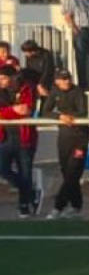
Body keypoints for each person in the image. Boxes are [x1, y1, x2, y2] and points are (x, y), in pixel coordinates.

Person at [43, 69, 89, 219]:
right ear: (57, 81)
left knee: (73, 172)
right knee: (66, 172)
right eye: (63, 79)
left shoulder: (78, 91)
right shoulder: (54, 91)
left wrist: (71, 117)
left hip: (80, 137)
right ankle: (76, 205)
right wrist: (60, 116)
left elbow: (83, 111)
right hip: (64, 137)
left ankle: (58, 206)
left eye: (68, 78)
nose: (66, 81)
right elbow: (46, 111)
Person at [0, 65, 38, 217]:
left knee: (25, 172)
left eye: (3, 78)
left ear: (13, 77)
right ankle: (31, 192)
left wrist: (9, 113)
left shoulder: (27, 88)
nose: (1, 81)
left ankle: (24, 206)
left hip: (24, 136)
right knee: (3, 169)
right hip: (4, 137)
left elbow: (27, 110)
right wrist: (13, 111)